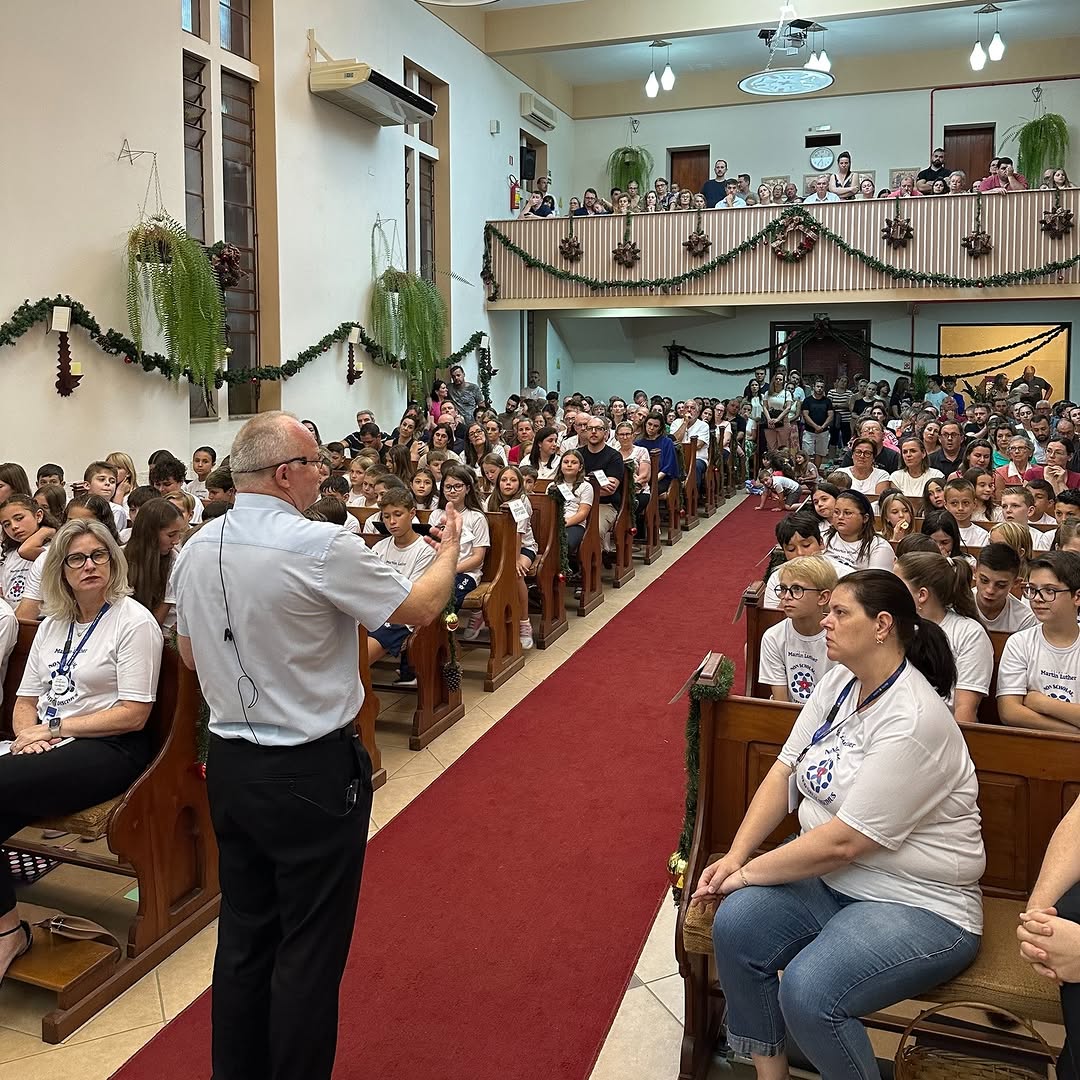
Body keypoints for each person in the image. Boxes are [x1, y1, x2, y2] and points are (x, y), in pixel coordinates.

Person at [172, 412, 461, 1080]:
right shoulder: (317, 545)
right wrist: (444, 551)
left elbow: (188, 657)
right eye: (315, 465)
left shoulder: (195, 546)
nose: (322, 475)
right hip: (308, 769)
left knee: (245, 936)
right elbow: (417, 610)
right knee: (308, 947)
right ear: (284, 473)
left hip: (232, 764)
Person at [694, 569, 983, 1080]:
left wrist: (745, 874)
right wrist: (738, 855)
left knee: (809, 991)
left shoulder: (913, 718)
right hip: (832, 882)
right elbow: (784, 770)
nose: (824, 622)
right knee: (736, 924)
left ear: (882, 625)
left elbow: (846, 842)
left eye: (839, 613)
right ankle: (769, 1073)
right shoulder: (841, 682)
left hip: (917, 901)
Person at [0, 519, 164, 983]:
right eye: (76, 558)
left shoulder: (133, 621)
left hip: (111, 749)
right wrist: (28, 735)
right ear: (61, 570)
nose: (89, 565)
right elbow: (25, 700)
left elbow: (133, 713)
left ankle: (6, 933)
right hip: (48, 744)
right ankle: (8, 928)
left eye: (99, 556)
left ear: (114, 562)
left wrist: (49, 729)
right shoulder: (53, 624)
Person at [895, 551, 992, 725]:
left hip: (939, 728)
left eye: (897, 587)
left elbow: (964, 710)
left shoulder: (969, 633)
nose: (891, 592)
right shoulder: (892, 625)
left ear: (922, 595)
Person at [998, 551, 1080, 732]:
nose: (1036, 598)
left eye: (1049, 591)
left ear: (1077, 597)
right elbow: (1009, 712)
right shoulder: (1019, 643)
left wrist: (1041, 702)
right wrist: (1074, 731)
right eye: (1033, 590)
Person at [758, 556, 837, 703]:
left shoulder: (840, 636)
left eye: (797, 589)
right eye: (783, 589)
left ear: (823, 597)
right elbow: (780, 703)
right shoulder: (773, 637)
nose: (786, 597)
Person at [126, 498, 186, 627]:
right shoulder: (120, 556)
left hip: (157, 631)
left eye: (178, 534)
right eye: (171, 535)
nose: (176, 541)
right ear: (150, 534)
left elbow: (156, 622)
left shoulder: (174, 562)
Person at [578, 417, 623, 555]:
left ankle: (592, 568)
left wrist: (581, 484)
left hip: (604, 505)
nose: (593, 432)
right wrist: (594, 486)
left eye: (598, 429)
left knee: (594, 529)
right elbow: (568, 483)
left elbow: (609, 489)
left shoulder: (614, 456)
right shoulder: (578, 454)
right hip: (577, 504)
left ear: (606, 433)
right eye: (590, 428)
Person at [823, 490, 896, 573]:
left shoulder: (879, 546)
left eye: (847, 513)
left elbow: (876, 583)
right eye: (836, 512)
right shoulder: (823, 538)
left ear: (865, 518)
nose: (840, 517)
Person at [973, 542, 1038, 632]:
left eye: (1000, 585)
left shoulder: (1024, 620)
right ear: (974, 572)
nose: (990, 590)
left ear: (1016, 583)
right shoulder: (957, 606)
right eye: (984, 581)